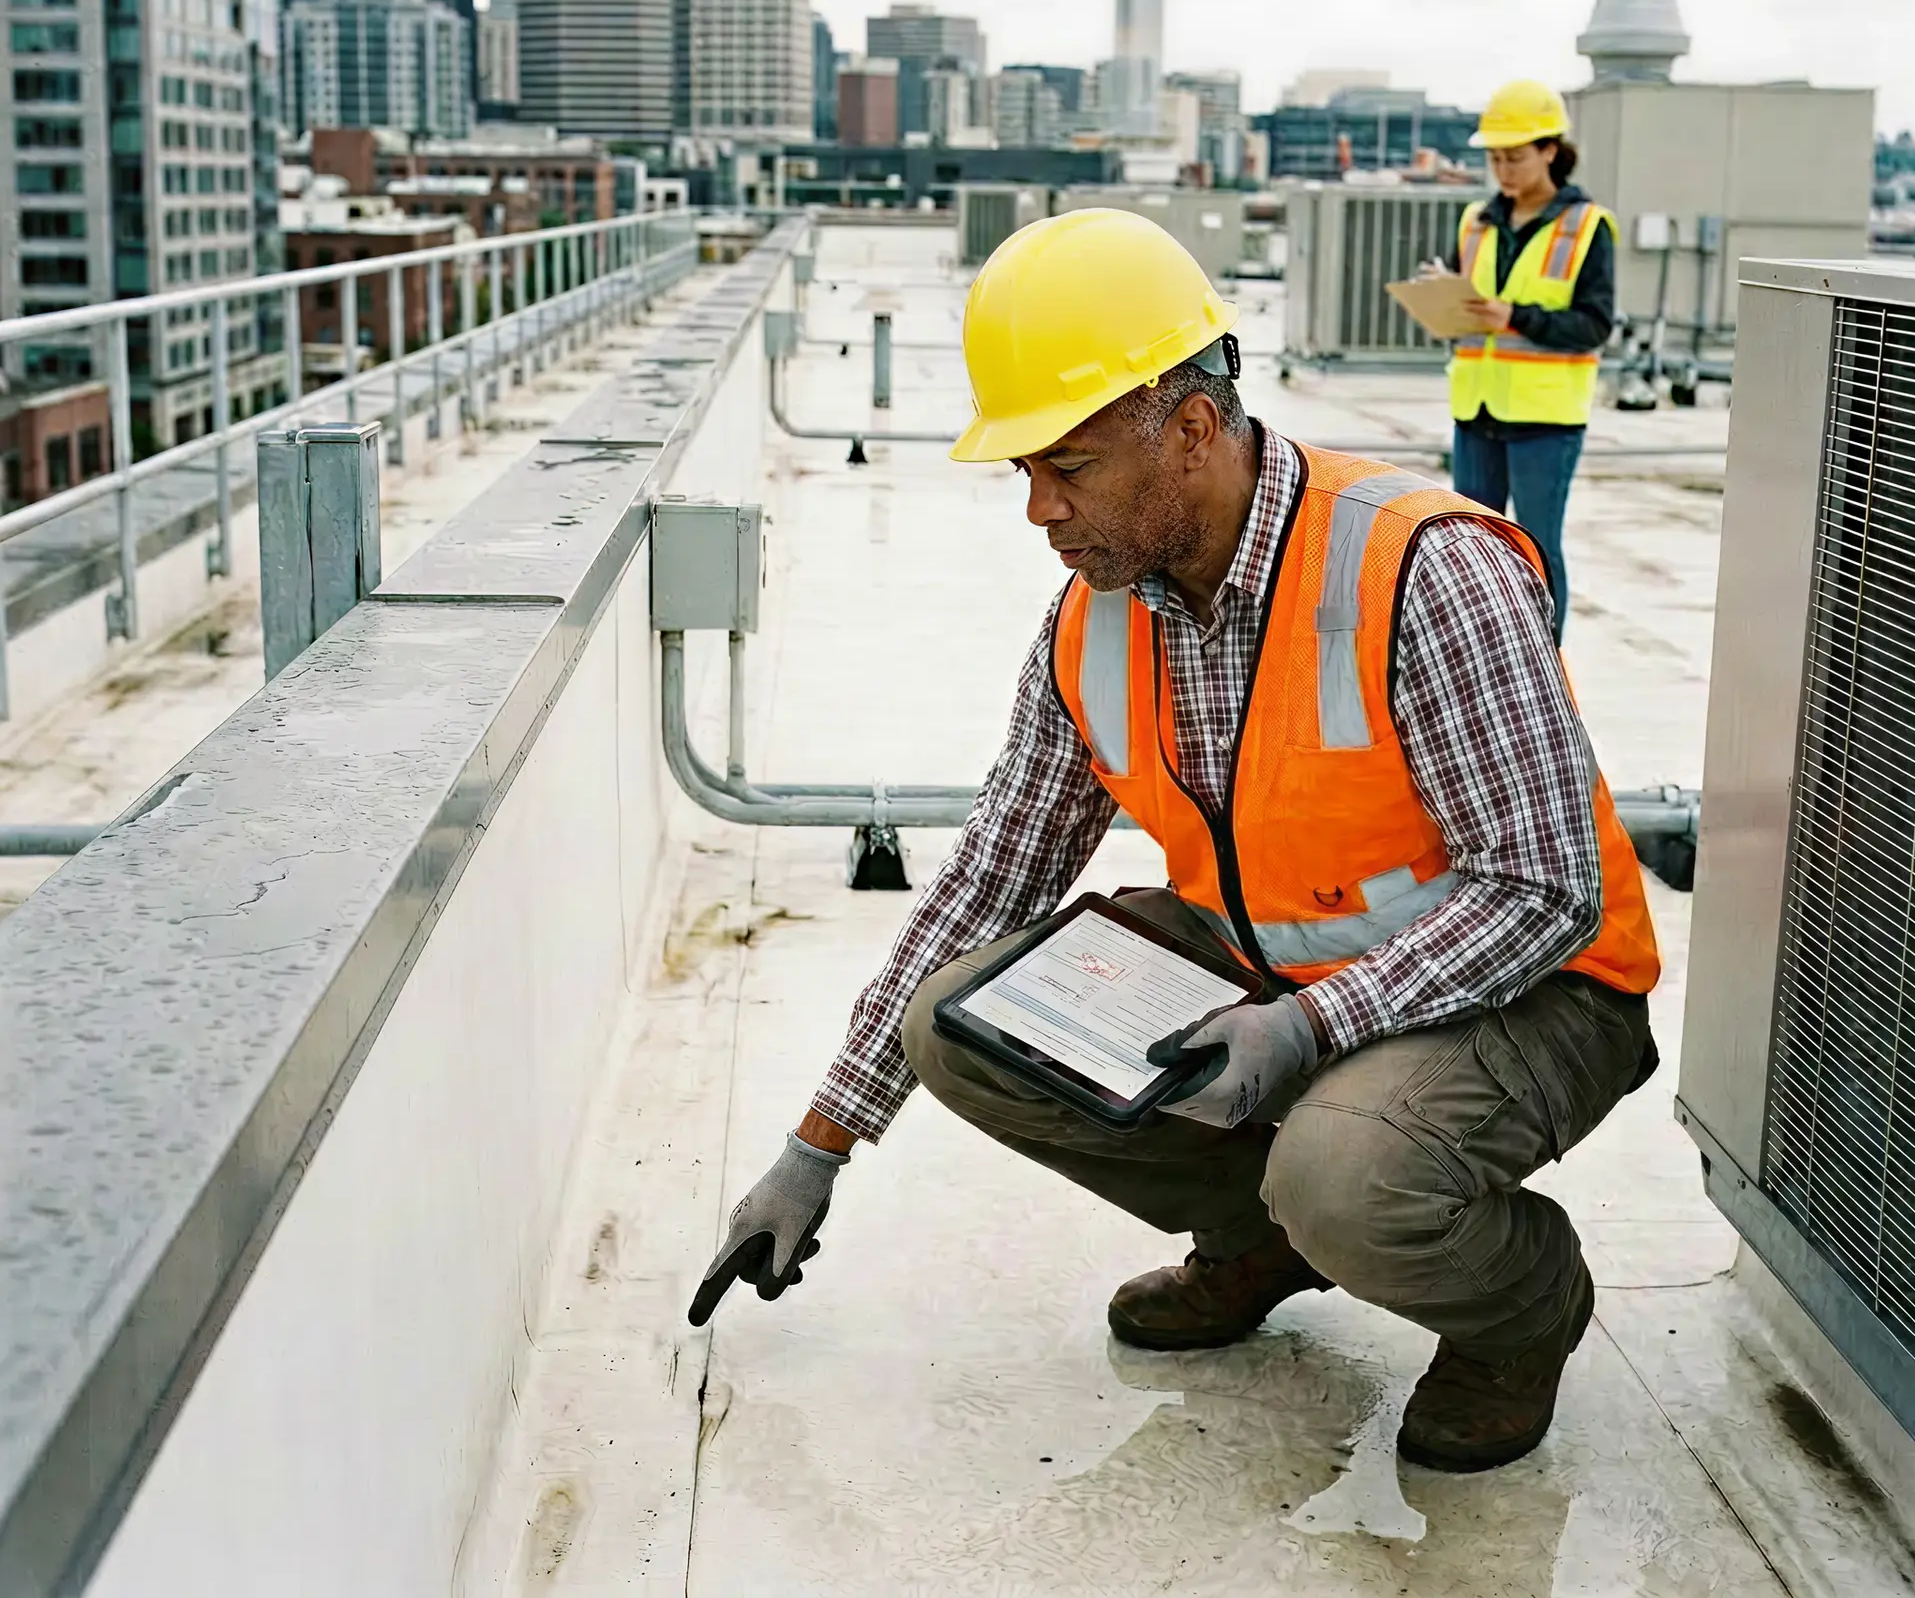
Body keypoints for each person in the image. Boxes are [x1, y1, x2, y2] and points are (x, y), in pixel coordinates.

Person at [691, 208, 1660, 1474]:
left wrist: (1309, 1030)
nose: (1038, 509)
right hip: (1287, 972)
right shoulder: (1095, 621)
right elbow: (989, 882)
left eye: (1068, 465)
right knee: (961, 1021)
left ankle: (1519, 1310)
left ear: (1190, 428)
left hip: (1535, 989)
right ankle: (1264, 1242)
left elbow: (1545, 890)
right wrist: (816, 1148)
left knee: (1345, 1172)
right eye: (1023, 472)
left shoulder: (1419, 568)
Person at [1424, 79, 1618, 640]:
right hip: (1477, 406)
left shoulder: (1586, 227)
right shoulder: (1475, 222)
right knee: (1466, 543)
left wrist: (1511, 315)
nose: (1503, 170)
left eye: (1514, 157)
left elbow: (1592, 326)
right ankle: (1474, 651)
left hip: (1545, 417)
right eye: (1495, 158)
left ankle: (1542, 662)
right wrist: (1445, 301)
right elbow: (1470, 309)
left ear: (1550, 151)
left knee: (1535, 543)